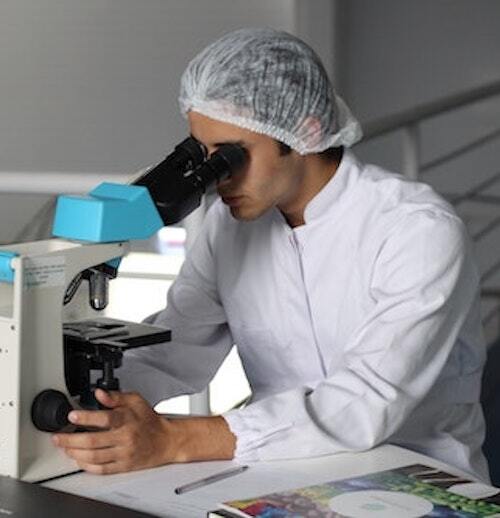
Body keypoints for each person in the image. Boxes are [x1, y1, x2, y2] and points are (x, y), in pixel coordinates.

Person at [53, 27, 489, 482]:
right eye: (203, 155)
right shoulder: (229, 227)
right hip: (283, 471)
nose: (217, 178)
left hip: (418, 474)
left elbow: (365, 402)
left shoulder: (415, 230)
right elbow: (174, 350)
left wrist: (173, 440)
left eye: (230, 157)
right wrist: (87, 406)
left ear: (305, 131)